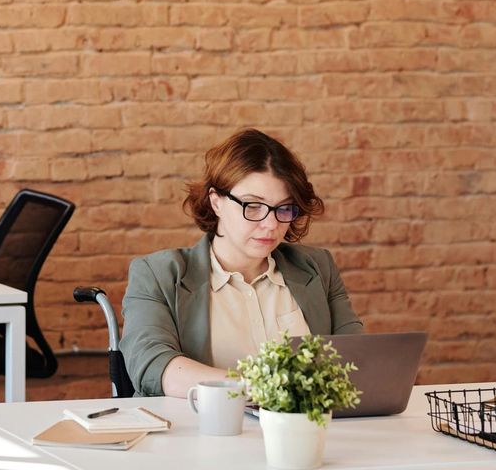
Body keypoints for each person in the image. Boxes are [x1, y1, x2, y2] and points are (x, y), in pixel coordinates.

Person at [121, 128, 363, 397]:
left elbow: (357, 359)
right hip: (200, 431)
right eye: (253, 206)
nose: (270, 224)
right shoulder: (158, 274)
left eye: (283, 208)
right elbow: (152, 367)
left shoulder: (318, 267)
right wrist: (263, 387)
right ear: (217, 202)